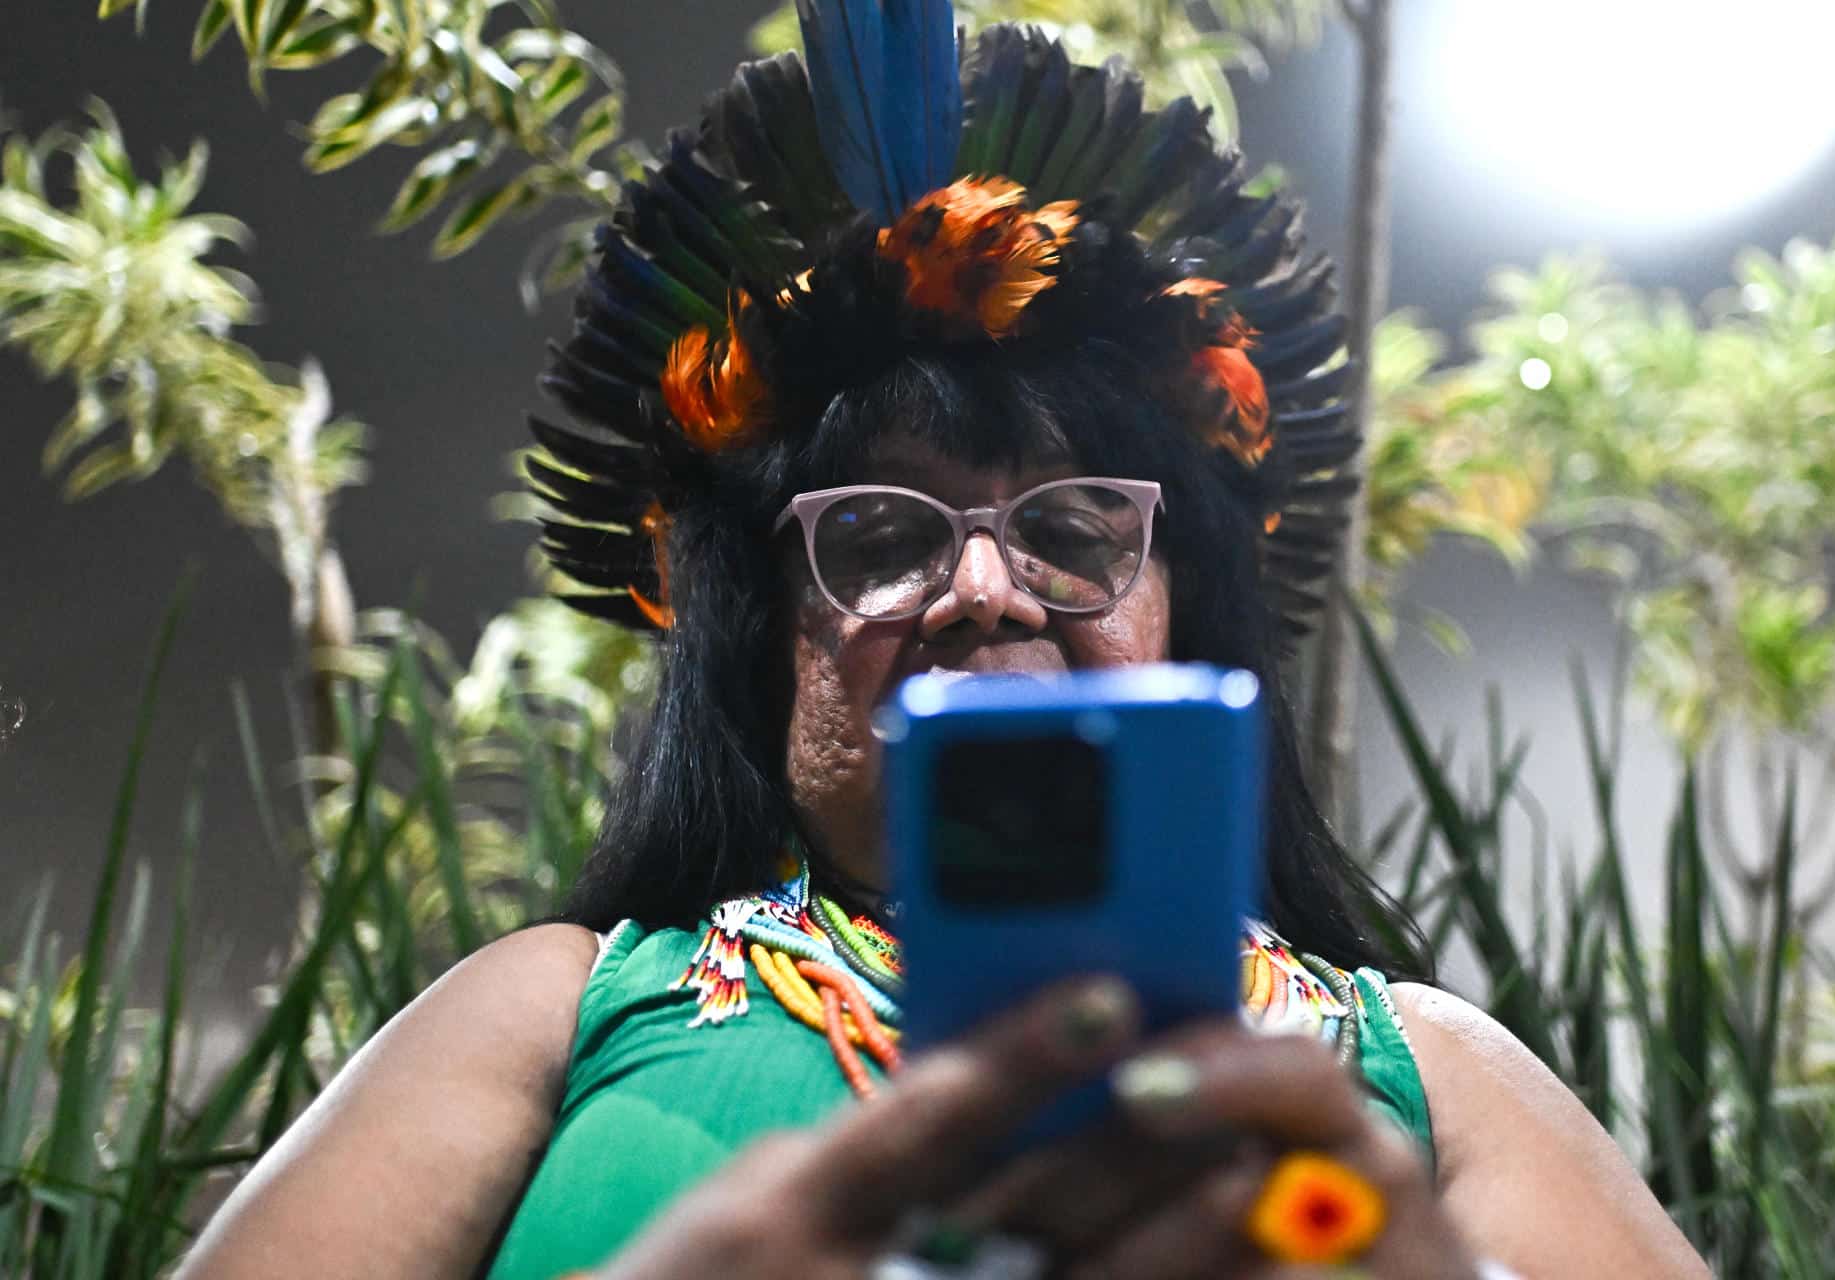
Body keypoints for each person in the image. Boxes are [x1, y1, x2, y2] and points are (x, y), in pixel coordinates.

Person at [178, 4, 1713, 1277]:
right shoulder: (555, 1006)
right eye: (878, 537)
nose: (983, 588)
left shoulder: (1420, 1063)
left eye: (1074, 531)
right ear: (766, 646)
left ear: (1186, 612)